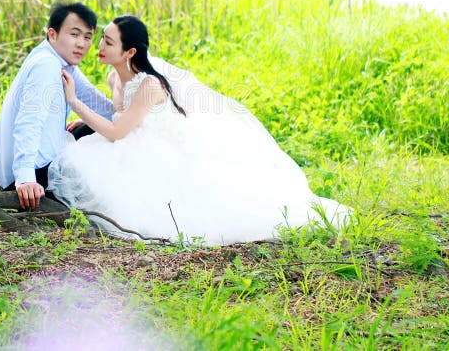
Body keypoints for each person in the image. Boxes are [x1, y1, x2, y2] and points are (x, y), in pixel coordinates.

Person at [49, 15, 349, 245]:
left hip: (158, 148)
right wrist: (90, 122)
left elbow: (117, 132)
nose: (98, 46)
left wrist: (74, 102)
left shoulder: (150, 84)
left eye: (108, 42)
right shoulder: (116, 77)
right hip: (132, 136)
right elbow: (120, 115)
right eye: (102, 38)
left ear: (129, 53)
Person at [0, 2, 114, 210]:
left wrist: (133, 117)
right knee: (106, 148)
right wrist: (25, 178)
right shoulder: (46, 65)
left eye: (87, 37)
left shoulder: (62, 63)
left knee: (98, 128)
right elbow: (28, 121)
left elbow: (101, 106)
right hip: (30, 177)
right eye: (74, 34)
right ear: (53, 34)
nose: (81, 44)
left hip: (34, 166)